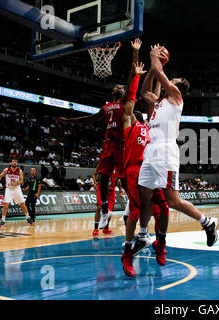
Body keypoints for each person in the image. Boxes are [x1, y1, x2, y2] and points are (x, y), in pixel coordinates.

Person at [135, 44, 218, 262]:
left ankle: (207, 222)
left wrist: (156, 59)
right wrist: (153, 68)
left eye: (174, 79)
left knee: (173, 201)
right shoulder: (159, 102)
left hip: (165, 152)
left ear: (178, 86)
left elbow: (162, 76)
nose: (170, 79)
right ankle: (143, 235)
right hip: (151, 151)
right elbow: (143, 92)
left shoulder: (176, 97)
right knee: (145, 195)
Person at [57, 39, 142, 222]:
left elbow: (132, 73)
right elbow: (88, 119)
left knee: (125, 179)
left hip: (122, 145)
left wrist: (135, 52)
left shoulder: (123, 103)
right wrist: (68, 120)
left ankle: (134, 202)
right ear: (113, 92)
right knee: (103, 176)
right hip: (109, 144)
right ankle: (104, 207)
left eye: (123, 86)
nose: (121, 87)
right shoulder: (106, 108)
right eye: (118, 87)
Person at [120, 64, 170, 277]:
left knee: (164, 208)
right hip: (132, 172)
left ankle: (160, 242)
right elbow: (130, 104)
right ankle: (128, 251)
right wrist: (136, 77)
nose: (138, 113)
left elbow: (155, 100)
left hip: (150, 169)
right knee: (136, 211)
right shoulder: (129, 126)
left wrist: (158, 71)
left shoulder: (151, 126)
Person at [0, 158, 33, 227]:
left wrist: (16, 183)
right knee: (6, 205)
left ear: (17, 163)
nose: (14, 162)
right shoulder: (6, 170)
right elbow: (0, 176)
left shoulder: (19, 171)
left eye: (15, 162)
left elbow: (21, 181)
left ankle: (27, 217)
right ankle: (3, 220)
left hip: (17, 189)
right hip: (9, 189)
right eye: (13, 161)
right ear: (11, 163)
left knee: (22, 204)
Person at [92, 167, 125, 239]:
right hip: (102, 190)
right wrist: (95, 182)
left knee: (109, 212)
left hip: (111, 192)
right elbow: (94, 174)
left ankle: (106, 229)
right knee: (99, 208)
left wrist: (120, 192)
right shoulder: (103, 164)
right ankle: (95, 230)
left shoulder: (116, 166)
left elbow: (119, 181)